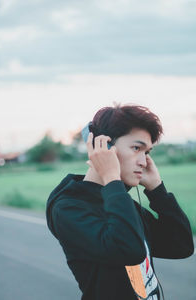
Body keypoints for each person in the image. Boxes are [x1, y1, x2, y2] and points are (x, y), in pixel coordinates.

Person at [46, 103, 194, 300]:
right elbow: (129, 251)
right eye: (136, 148)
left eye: (147, 152)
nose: (144, 161)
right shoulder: (68, 208)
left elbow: (181, 246)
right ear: (104, 147)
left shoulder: (122, 203)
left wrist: (157, 189)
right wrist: (111, 178)